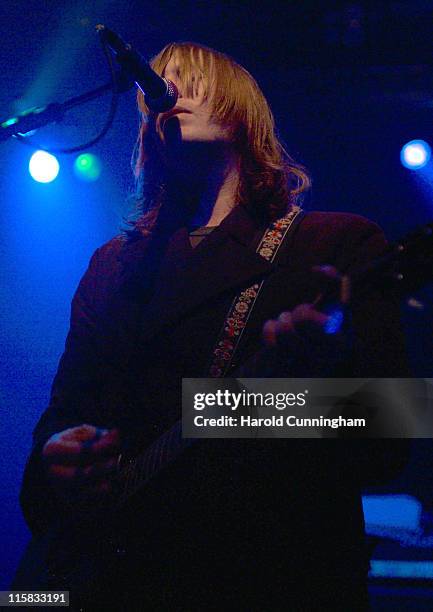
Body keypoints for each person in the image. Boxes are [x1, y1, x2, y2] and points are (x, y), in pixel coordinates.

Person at [17, 42, 409, 610]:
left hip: (269, 579)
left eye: (189, 79)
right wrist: (56, 458)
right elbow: (64, 414)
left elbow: (389, 435)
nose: (167, 92)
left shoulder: (333, 243)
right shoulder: (113, 265)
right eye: (157, 83)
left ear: (240, 108)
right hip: (119, 579)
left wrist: (309, 380)